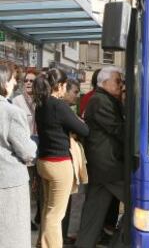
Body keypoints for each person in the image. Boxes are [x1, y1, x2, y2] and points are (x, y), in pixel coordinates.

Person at [33, 68, 89, 248]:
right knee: (56, 215)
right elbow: (84, 130)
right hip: (59, 164)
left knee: (47, 209)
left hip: (43, 162)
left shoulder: (40, 104)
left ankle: (42, 244)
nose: (66, 90)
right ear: (59, 86)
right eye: (65, 86)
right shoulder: (59, 106)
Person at [76, 66, 125, 248]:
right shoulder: (100, 101)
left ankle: (84, 244)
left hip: (103, 166)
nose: (121, 85)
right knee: (140, 200)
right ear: (104, 82)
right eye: (118, 81)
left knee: (93, 213)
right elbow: (118, 128)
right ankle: (119, 243)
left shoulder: (105, 99)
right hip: (109, 166)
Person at [0, 63, 37, 248]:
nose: (15, 83)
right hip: (9, 183)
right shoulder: (11, 112)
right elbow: (27, 151)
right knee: (11, 233)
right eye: (13, 79)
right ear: (4, 82)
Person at [12, 70, 41, 230]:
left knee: (40, 185)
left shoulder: (40, 100)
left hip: (41, 148)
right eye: (26, 81)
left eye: (32, 81)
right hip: (26, 148)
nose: (29, 83)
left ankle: (38, 215)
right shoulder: (16, 101)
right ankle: (27, 219)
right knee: (28, 186)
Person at [61, 78, 81, 245]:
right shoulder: (63, 108)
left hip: (55, 160)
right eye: (75, 92)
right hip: (62, 161)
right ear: (64, 90)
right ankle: (63, 237)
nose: (77, 95)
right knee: (64, 203)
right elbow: (82, 129)